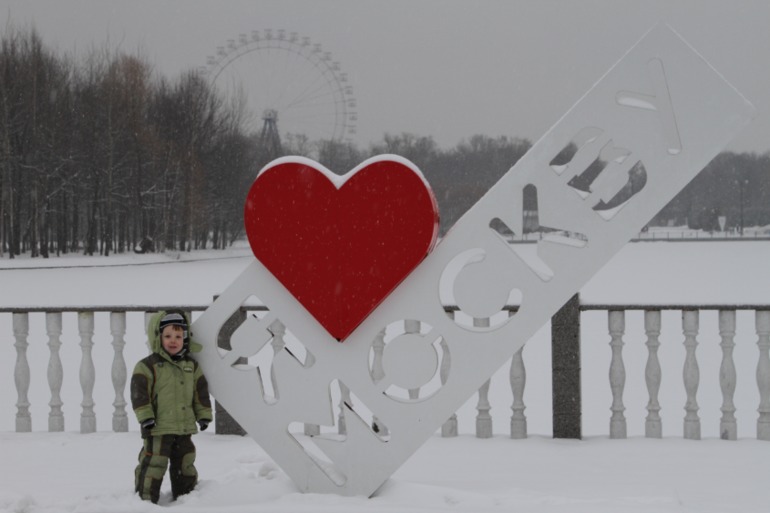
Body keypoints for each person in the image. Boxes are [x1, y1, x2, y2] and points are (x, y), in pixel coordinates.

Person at [131, 310, 213, 504]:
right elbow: (139, 394)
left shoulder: (191, 366)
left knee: (185, 462)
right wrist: (146, 417)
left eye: (178, 336)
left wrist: (204, 415)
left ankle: (187, 498)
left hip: (183, 427)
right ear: (158, 337)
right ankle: (145, 499)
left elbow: (199, 392)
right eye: (168, 336)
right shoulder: (148, 366)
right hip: (157, 428)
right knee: (154, 463)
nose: (173, 341)